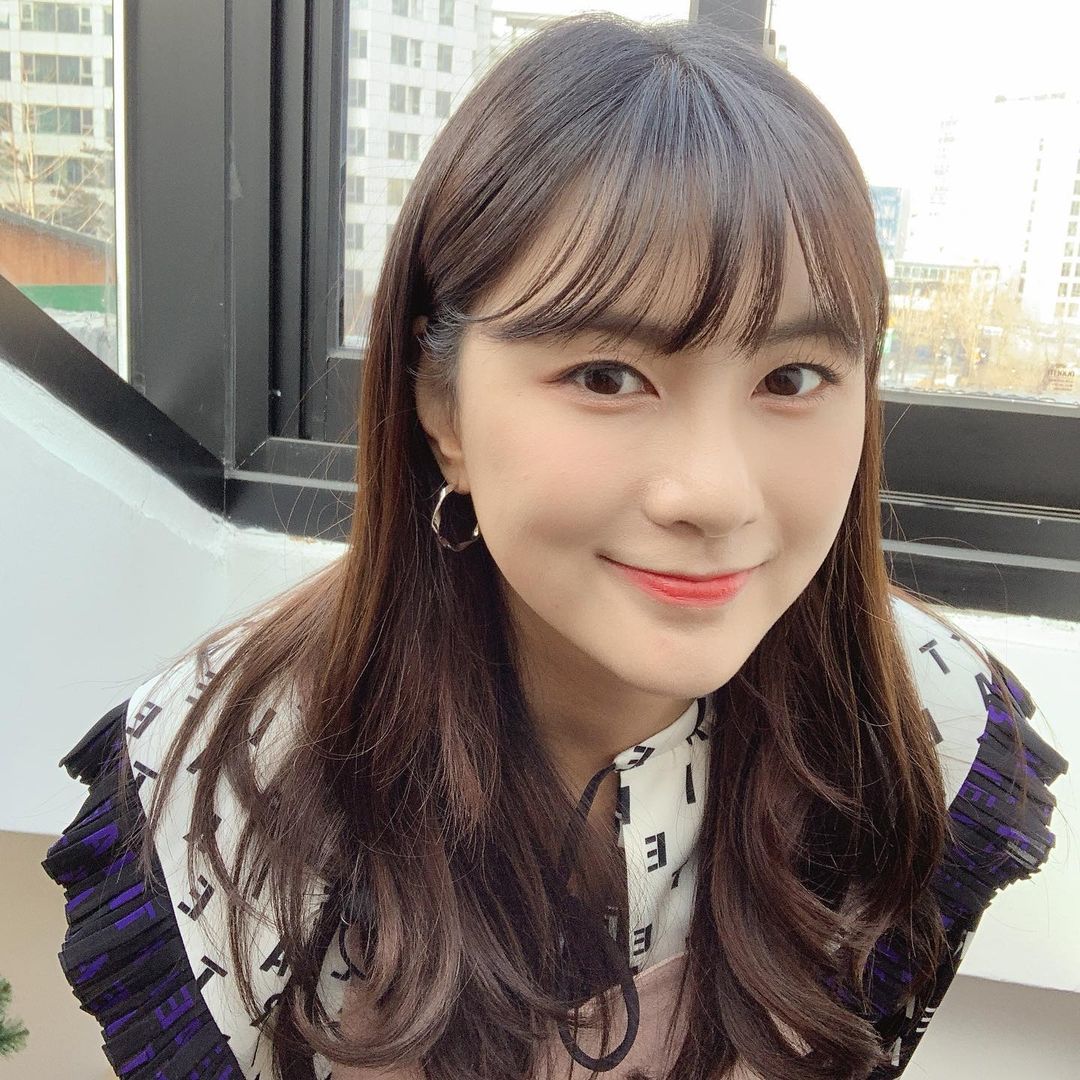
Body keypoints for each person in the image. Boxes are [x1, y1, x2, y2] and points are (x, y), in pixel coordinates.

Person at [42, 13, 1068, 1080]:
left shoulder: (920, 723)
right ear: (442, 404)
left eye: (792, 378)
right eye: (607, 377)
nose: (715, 494)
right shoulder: (233, 787)